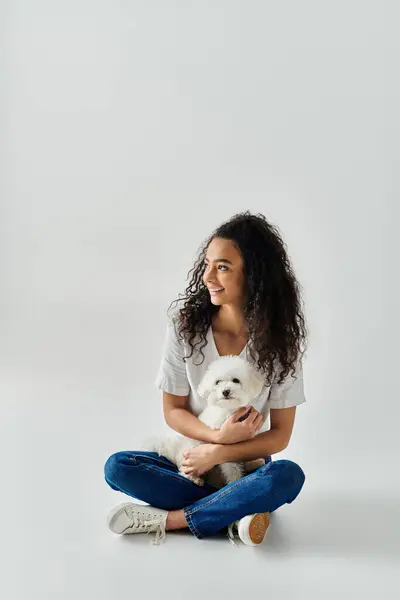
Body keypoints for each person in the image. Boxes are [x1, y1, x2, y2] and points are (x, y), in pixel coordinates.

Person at [104, 211, 307, 546]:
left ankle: (172, 520)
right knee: (118, 468)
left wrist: (220, 453)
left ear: (254, 275)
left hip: (246, 464)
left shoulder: (282, 342)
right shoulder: (185, 328)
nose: (208, 276)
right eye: (207, 264)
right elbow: (173, 411)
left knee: (286, 477)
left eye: (223, 267)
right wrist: (214, 439)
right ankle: (237, 511)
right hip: (190, 458)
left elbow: (280, 435)